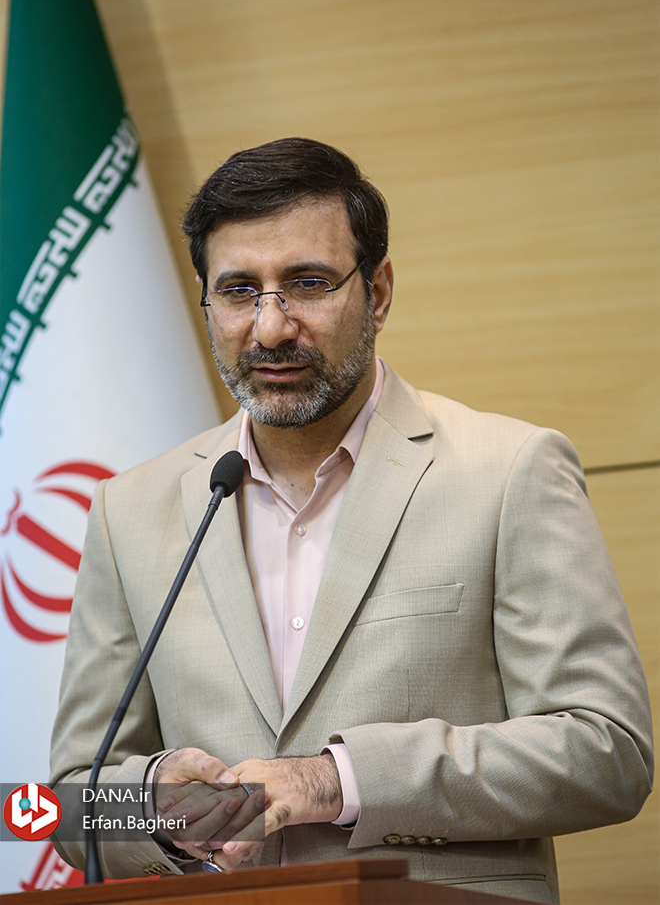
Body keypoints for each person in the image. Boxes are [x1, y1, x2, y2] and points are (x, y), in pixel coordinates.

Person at [50, 138, 653, 903]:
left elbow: (608, 751)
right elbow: (64, 805)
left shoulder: (508, 472)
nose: (271, 327)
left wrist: (337, 781)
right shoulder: (129, 511)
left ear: (379, 292)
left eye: (307, 283)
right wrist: (152, 807)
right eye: (238, 290)